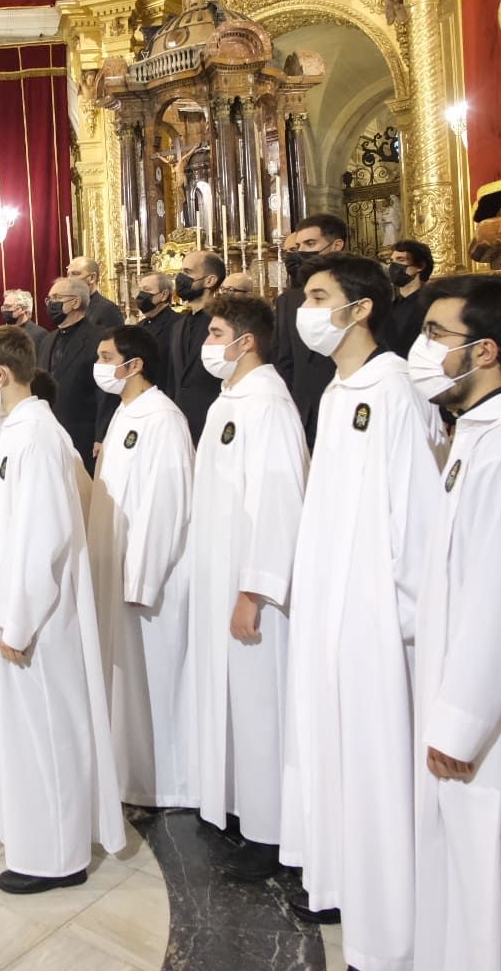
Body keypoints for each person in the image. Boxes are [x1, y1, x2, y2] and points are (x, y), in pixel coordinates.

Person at [283, 254, 446, 969]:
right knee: (331, 743)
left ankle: (389, 916)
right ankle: (339, 875)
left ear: (361, 309)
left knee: (376, 756)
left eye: (320, 296)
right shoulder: (334, 389)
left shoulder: (395, 387)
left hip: (378, 613)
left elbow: (413, 514)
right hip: (331, 600)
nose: (306, 308)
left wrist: (404, 622)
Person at [405, 274, 501, 971]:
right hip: (459, 691)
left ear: (486, 351)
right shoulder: (480, 429)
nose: (422, 346)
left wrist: (463, 720)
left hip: (494, 718)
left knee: (497, 878)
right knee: (464, 875)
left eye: (436, 334)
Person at [0, 326, 124, 893]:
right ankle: (35, 840)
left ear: (1, 375)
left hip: (38, 613)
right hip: (18, 605)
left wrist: (20, 617)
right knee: (28, 731)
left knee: (48, 729)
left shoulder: (33, 436)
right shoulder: (18, 430)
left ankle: (59, 857)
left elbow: (42, 535)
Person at [177, 294, 308, 875]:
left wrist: (254, 589)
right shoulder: (230, 401)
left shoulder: (268, 406)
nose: (208, 344)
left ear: (246, 340)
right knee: (228, 699)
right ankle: (233, 807)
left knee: (260, 707)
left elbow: (278, 502)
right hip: (218, 577)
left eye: (216, 332)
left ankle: (272, 832)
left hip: (252, 588)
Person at [88, 325, 196, 809]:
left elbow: (165, 503)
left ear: (135, 365)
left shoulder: (162, 418)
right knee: (122, 680)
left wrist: (143, 575)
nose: (101, 364)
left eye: (108, 356)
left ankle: (159, 783)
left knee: (149, 679)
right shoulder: (124, 412)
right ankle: (125, 774)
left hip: (143, 575)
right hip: (115, 564)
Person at [272, 214, 349, 448]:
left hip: (346, 408)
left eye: (310, 244)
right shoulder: (290, 300)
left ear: (336, 245)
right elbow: (284, 360)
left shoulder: (358, 290)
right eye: (298, 246)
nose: (301, 252)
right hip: (303, 414)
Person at [39, 276, 109, 473]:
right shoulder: (47, 339)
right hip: (49, 431)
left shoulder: (99, 338)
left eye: (56, 298)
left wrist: (101, 435)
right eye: (49, 299)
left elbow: (104, 391)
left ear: (76, 302)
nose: (50, 304)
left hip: (82, 433)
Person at [167, 250, 226, 438]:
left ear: (210, 281)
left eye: (188, 272)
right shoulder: (178, 325)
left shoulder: (223, 323)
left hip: (215, 422)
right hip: (181, 424)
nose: (180, 279)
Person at [379, 239, 436, 357]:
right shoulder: (389, 307)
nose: (393, 266)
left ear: (420, 266)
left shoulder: (432, 305)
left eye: (401, 260)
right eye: (392, 261)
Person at [67, 256, 125, 329]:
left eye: (75, 274)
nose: (69, 279)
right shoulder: (71, 307)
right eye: (68, 274)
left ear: (92, 278)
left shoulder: (108, 310)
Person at [132, 271, 179, 358]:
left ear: (164, 295)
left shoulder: (179, 324)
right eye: (140, 290)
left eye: (147, 290)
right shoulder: (139, 327)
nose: (140, 295)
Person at [0, 289, 50, 359]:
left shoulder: (39, 334)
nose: (5, 310)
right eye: (3, 307)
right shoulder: (3, 334)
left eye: (8, 306)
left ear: (23, 309)